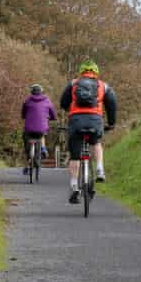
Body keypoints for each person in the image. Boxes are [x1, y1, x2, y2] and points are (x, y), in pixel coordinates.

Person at [59, 59, 117, 204]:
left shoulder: (73, 84)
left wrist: (71, 111)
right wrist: (111, 123)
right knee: (96, 142)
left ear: (81, 72)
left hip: (76, 121)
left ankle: (74, 186)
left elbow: (63, 103)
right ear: (96, 72)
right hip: (95, 120)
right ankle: (99, 169)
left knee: (75, 156)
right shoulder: (103, 86)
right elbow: (112, 105)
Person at [21, 84, 57, 175]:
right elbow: (53, 114)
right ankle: (42, 151)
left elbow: (23, 113)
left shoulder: (27, 101)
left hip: (29, 129)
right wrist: (52, 118)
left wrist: (24, 116)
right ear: (41, 92)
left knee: (27, 145)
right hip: (41, 128)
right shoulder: (47, 101)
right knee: (41, 135)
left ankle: (27, 164)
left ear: (31, 92)